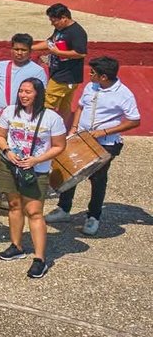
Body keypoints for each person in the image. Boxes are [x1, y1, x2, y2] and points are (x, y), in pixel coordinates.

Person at [50, 55, 141, 235]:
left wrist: (104, 132)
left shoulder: (124, 94)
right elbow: (81, 106)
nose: (90, 75)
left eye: (93, 73)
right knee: (70, 170)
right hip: (81, 137)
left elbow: (134, 120)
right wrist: (74, 128)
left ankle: (93, 216)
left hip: (105, 143)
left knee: (98, 178)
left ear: (104, 77)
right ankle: (63, 208)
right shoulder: (91, 87)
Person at [0, 77, 68, 279]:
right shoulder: (9, 112)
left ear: (38, 94)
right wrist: (7, 151)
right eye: (21, 91)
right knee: (14, 205)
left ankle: (40, 258)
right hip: (11, 165)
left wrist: (37, 160)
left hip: (37, 169)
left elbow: (60, 146)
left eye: (28, 92)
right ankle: (16, 245)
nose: (23, 95)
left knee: (34, 211)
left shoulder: (52, 117)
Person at [40, 3, 89, 116]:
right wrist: (30, 47)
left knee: (47, 104)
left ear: (64, 18)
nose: (52, 24)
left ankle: (43, 128)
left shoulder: (77, 32)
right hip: (62, 75)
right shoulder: (60, 29)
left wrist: (58, 53)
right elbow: (50, 43)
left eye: (54, 21)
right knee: (64, 106)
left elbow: (81, 53)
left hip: (64, 76)